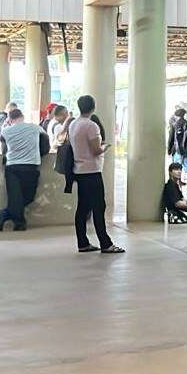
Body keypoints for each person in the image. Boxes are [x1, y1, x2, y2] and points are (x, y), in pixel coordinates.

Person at [69, 95, 122, 254]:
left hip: (79, 170)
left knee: (83, 208)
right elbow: (95, 150)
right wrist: (105, 147)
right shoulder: (91, 126)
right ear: (93, 107)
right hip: (91, 171)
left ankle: (83, 242)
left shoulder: (73, 124)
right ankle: (106, 244)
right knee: (99, 207)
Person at [0, 109, 48, 231]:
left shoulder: (5, 131)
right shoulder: (35, 128)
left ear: (9, 119)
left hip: (12, 167)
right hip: (31, 166)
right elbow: (45, 141)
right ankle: (19, 222)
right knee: (29, 196)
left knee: (15, 197)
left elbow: (4, 150)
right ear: (23, 116)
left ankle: (4, 214)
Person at [168, 107, 187, 184]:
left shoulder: (174, 125)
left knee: (177, 167)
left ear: (177, 116)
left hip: (176, 150)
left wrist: (169, 150)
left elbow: (171, 138)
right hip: (186, 150)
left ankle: (177, 184)